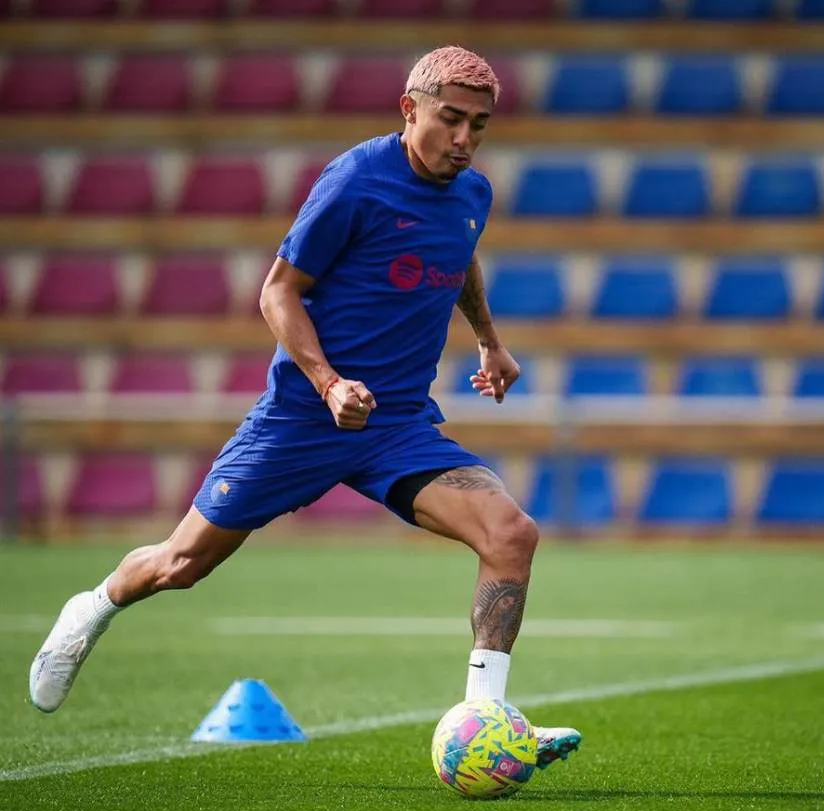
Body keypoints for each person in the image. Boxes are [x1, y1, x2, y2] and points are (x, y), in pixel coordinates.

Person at [28, 45, 580, 770]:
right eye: (451, 120)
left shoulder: (472, 193)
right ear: (409, 109)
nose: (464, 140)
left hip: (398, 428)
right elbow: (277, 291)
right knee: (182, 564)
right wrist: (328, 384)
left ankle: (485, 719)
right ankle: (92, 607)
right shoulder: (356, 180)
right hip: (302, 421)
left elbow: (460, 254)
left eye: (479, 126)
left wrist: (488, 340)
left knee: (511, 533)